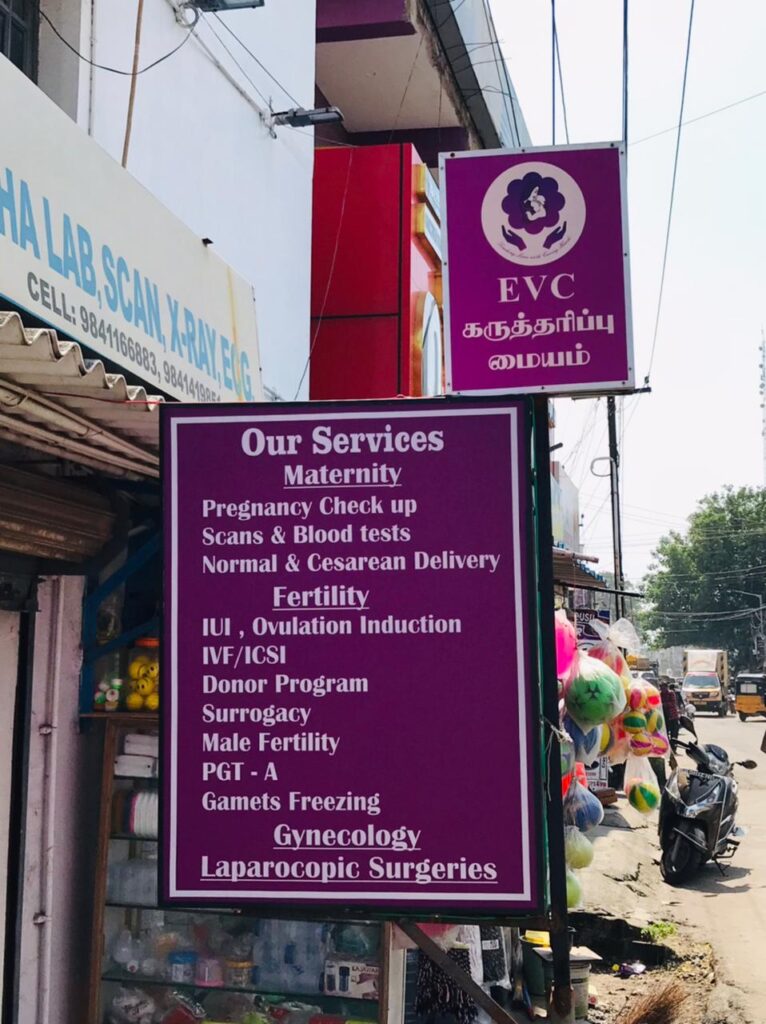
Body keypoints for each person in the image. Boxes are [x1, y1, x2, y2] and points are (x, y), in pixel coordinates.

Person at [660, 678, 681, 751]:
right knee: (665, 733)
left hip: (673, 717)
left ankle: (674, 748)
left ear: (666, 687)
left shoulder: (671, 693)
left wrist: (663, 704)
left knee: (674, 734)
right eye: (661, 687)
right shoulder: (660, 695)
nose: (662, 689)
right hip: (665, 717)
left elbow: (672, 703)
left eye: (664, 687)